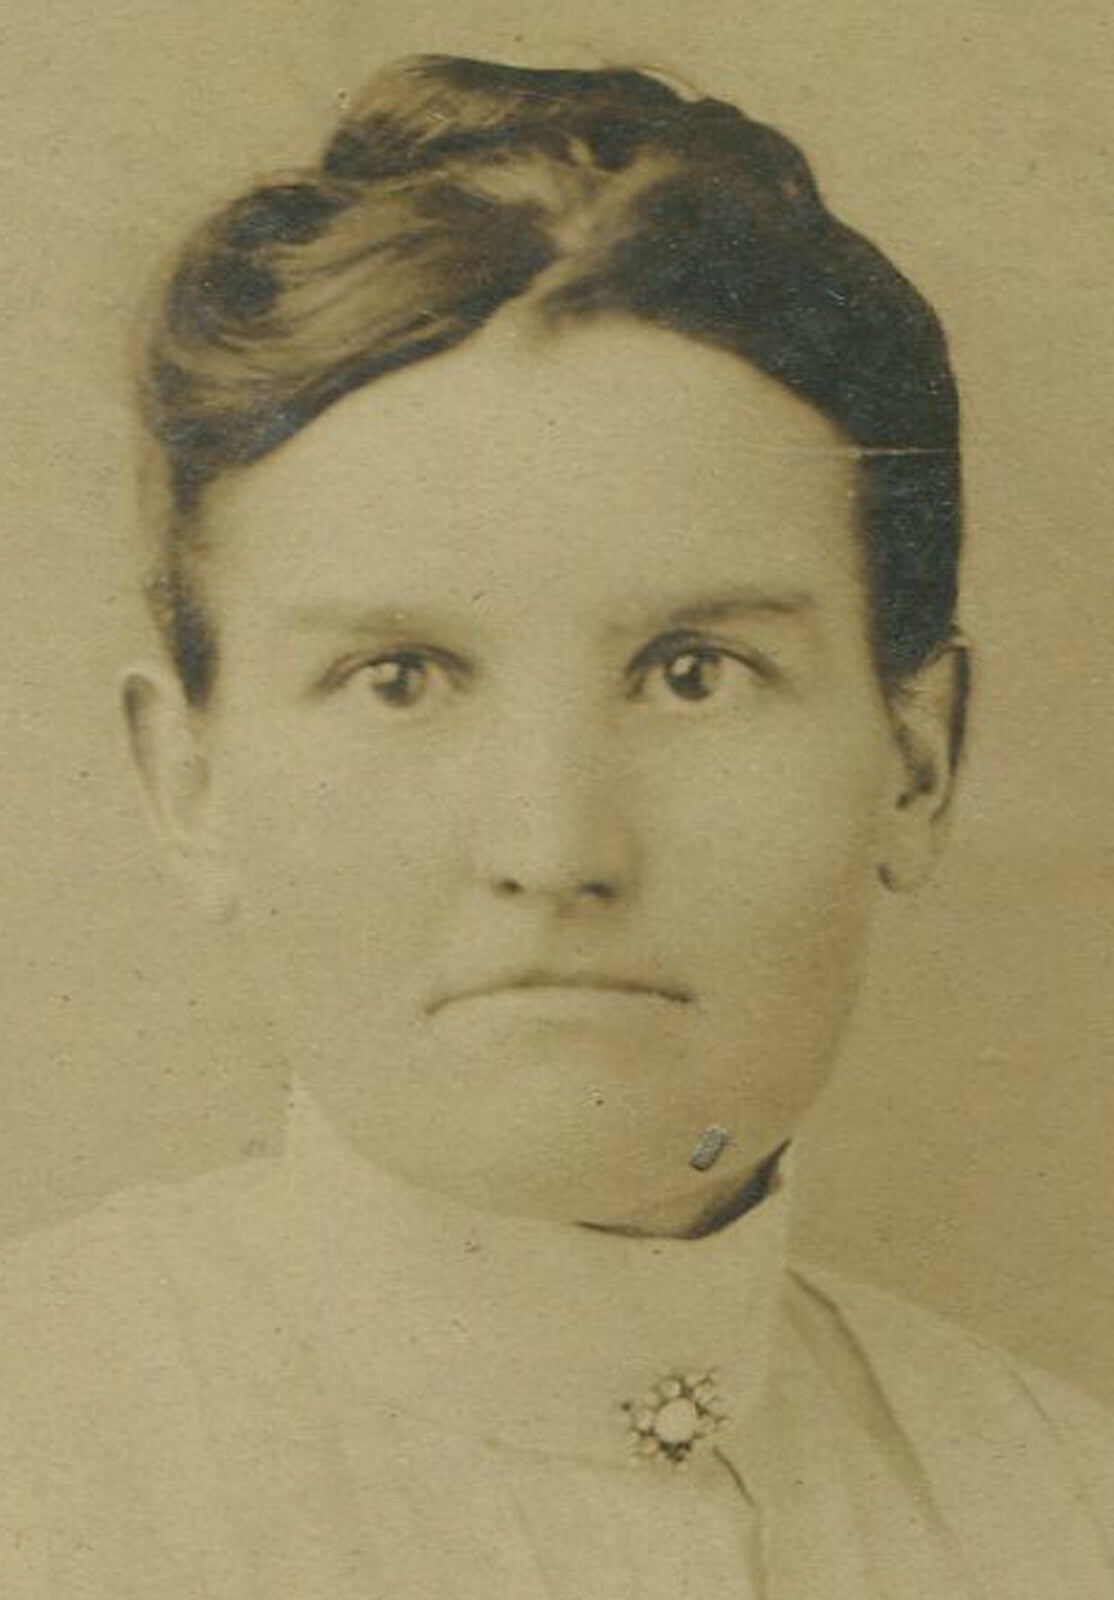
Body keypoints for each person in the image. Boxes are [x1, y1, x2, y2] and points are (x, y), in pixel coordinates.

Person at [1, 52, 1111, 1598]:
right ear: (186, 780)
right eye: (398, 679)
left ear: (915, 764)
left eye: (691, 673)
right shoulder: (40, 1469)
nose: (554, 844)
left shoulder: (1060, 1516)